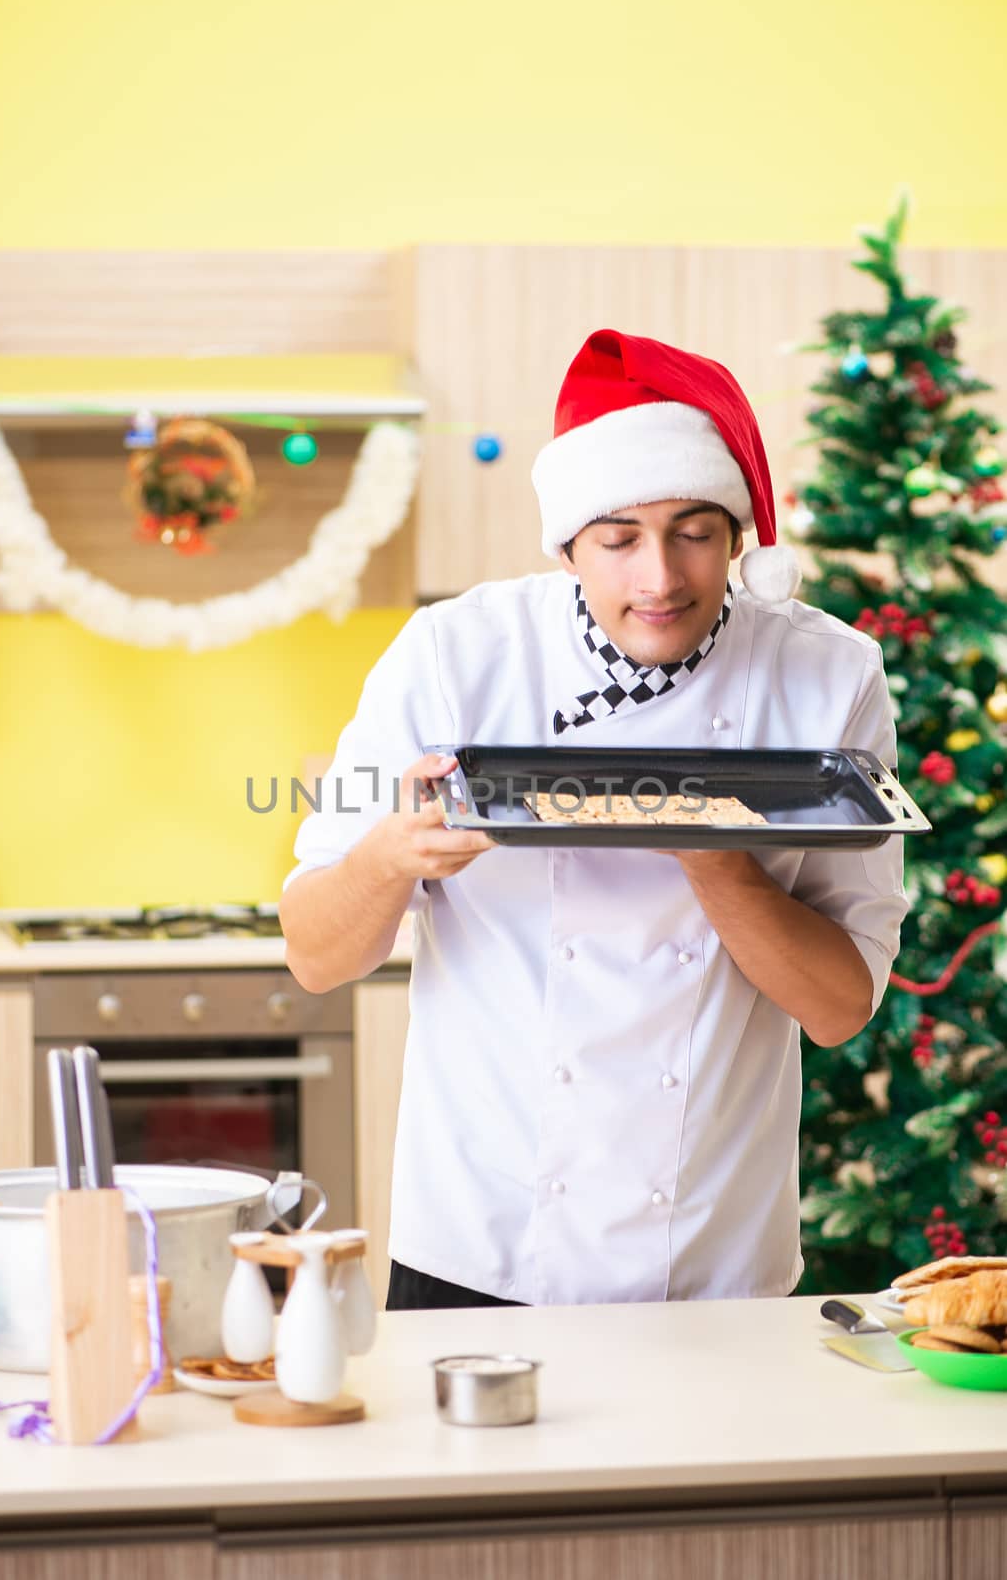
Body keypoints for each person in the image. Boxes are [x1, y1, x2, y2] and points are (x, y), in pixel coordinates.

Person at [280, 329, 909, 1310]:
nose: (658, 577)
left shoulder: (827, 676)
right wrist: (390, 856)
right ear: (569, 541)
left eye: (695, 530)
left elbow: (839, 1008)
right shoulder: (457, 656)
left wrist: (715, 861)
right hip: (476, 1249)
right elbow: (315, 956)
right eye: (618, 539)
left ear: (740, 533)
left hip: (717, 1261)